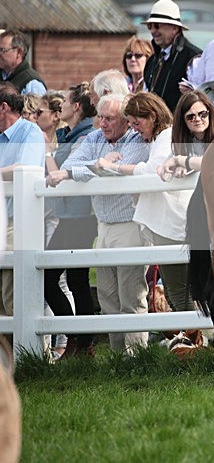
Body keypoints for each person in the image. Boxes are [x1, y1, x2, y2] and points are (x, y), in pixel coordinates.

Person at [48, 94, 150, 354]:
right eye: (101, 118)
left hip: (129, 223)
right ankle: (117, 356)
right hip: (103, 225)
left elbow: (119, 169)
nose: (103, 124)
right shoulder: (94, 138)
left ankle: (136, 354)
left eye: (110, 119)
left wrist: (97, 168)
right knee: (106, 294)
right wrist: (97, 165)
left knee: (130, 294)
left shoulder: (137, 140)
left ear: (126, 121)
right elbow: (70, 167)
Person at [98, 92, 195, 315]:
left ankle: (198, 342)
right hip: (169, 221)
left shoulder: (167, 136)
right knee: (174, 291)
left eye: (136, 122)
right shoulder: (162, 138)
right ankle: (197, 340)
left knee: (178, 291)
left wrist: (115, 168)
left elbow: (154, 170)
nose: (134, 128)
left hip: (173, 222)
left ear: (152, 116)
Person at [42, 83, 98, 357]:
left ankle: (81, 341)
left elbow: (64, 170)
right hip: (69, 215)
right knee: (70, 280)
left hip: (79, 217)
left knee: (60, 280)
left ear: (76, 106)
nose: (60, 104)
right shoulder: (69, 134)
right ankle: (81, 341)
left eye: (64, 100)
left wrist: (46, 151)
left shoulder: (85, 136)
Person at [0, 82, 45, 318]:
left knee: (12, 294)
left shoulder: (31, 132)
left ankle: (28, 354)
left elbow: (23, 167)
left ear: (3, 107)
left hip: (16, 223)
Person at [143, 0, 202, 110]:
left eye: (156, 25)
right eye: (150, 26)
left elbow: (201, 98)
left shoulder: (193, 58)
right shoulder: (151, 61)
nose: (152, 31)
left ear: (174, 28)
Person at [0, 30, 46, 95]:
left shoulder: (32, 83)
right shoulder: (2, 75)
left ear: (19, 52)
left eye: (2, 50)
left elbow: (37, 105)